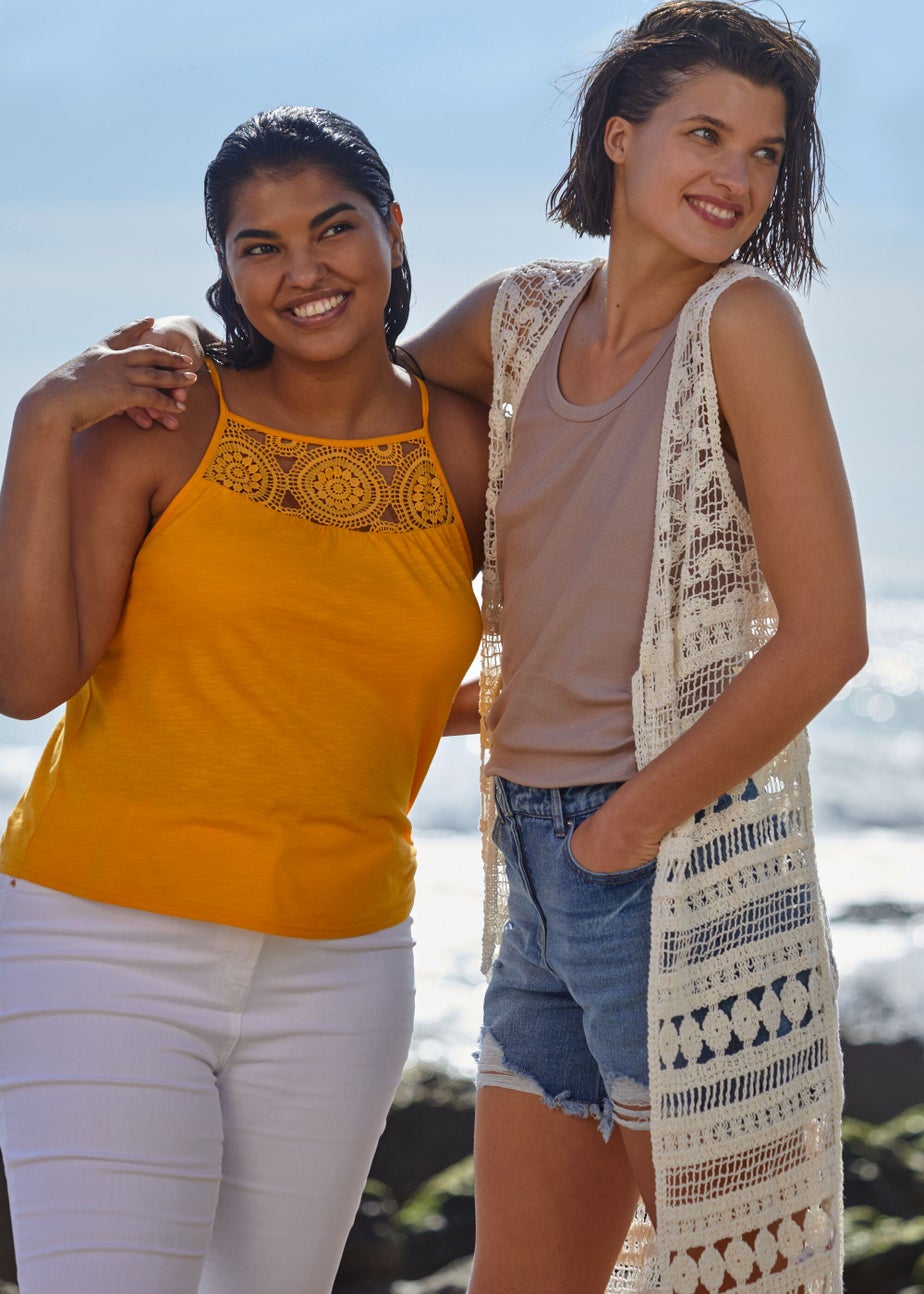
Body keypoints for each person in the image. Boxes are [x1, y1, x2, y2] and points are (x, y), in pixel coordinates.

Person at [398, 4, 867, 1291]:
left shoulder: (745, 324)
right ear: (619, 138)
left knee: (730, 1278)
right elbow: (374, 400)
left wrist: (626, 830)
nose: (738, 177)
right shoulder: (520, 317)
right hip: (533, 871)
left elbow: (829, 635)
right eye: (706, 134)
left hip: (676, 863)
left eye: (768, 153)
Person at [0, 106, 486, 1294]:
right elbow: (26, 681)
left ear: (393, 228)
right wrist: (40, 418)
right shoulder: (162, 422)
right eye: (259, 246)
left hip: (345, 965)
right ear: (223, 268)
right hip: (96, 940)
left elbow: (421, 666)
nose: (303, 271)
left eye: (334, 228)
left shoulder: (470, 451)